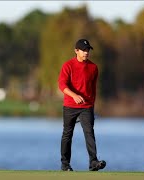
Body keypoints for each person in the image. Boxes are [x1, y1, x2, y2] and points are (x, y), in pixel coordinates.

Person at [57, 39, 106, 171]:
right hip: (69, 105)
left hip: (87, 107)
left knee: (89, 133)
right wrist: (74, 95)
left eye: (88, 50)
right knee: (67, 134)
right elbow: (62, 85)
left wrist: (92, 106)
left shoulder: (93, 68)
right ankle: (65, 164)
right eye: (84, 50)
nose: (86, 52)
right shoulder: (68, 66)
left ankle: (93, 162)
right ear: (76, 51)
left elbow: (93, 89)